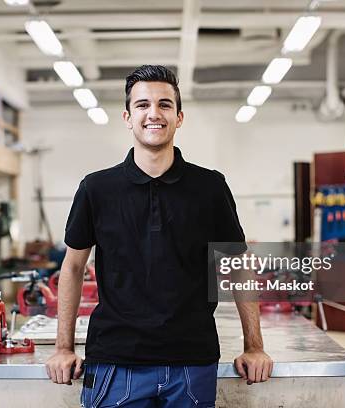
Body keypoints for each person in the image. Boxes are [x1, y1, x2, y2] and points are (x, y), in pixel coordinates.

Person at [46, 65, 272, 407]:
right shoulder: (96, 189)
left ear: (179, 117)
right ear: (127, 116)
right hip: (115, 361)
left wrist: (254, 345)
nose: (154, 113)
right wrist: (63, 348)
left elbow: (238, 266)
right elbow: (73, 267)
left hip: (192, 362)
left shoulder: (210, 187)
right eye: (142, 105)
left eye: (165, 105)